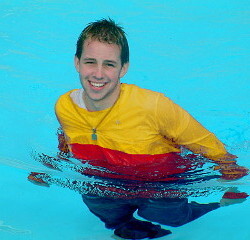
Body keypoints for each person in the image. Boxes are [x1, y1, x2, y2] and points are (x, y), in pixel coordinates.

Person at [43, 18, 248, 239]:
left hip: (162, 181)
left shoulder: (154, 106)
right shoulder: (64, 106)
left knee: (170, 217)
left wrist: (229, 167)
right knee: (100, 207)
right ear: (77, 63)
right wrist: (50, 167)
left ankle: (216, 205)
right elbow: (66, 139)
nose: (98, 73)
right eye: (90, 62)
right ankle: (128, 226)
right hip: (107, 180)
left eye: (109, 64)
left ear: (123, 68)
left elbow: (204, 140)